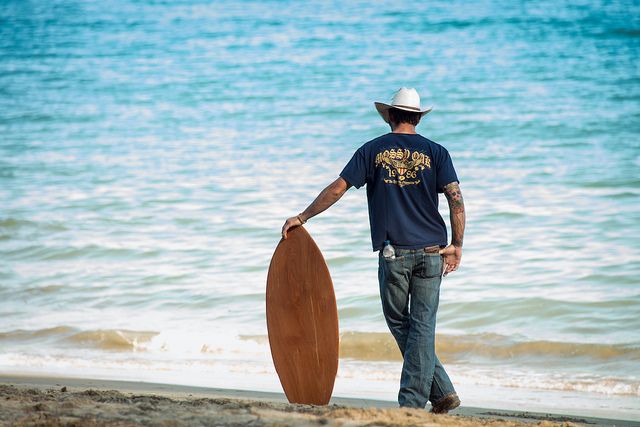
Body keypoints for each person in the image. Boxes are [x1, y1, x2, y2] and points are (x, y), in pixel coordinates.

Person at [281, 87, 465, 414]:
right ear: (417, 118)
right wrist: (457, 244)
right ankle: (442, 392)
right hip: (432, 251)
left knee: (401, 323)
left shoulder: (372, 150)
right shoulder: (437, 152)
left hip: (395, 253)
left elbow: (338, 188)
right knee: (421, 325)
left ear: (391, 115)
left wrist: (303, 216)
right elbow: (456, 200)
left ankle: (410, 405)